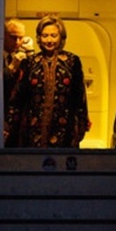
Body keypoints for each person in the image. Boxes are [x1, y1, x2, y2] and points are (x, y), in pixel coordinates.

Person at [6, 15, 90, 148]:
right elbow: (18, 97)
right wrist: (9, 123)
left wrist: (81, 123)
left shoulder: (72, 61)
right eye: (45, 36)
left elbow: (79, 96)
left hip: (64, 129)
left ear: (61, 37)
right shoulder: (29, 63)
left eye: (53, 35)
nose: (49, 40)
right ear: (39, 37)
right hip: (33, 130)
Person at [3, 18, 34, 116]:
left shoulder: (24, 57)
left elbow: (35, 80)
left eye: (21, 38)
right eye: (13, 37)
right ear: (3, 36)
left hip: (18, 112)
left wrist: (30, 52)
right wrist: (11, 67)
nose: (17, 41)